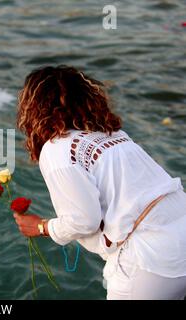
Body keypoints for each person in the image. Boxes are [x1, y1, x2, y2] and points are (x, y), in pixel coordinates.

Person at [14, 65, 186, 300]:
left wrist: (42, 227)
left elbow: (84, 221)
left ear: (34, 110)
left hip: (152, 260)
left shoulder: (58, 149)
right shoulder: (115, 136)